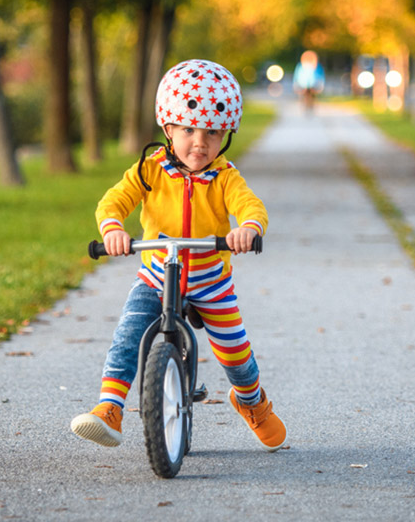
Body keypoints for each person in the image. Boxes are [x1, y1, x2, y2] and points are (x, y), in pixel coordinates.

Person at [70, 59, 286, 453]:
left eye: (212, 132)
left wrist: (248, 230)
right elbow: (113, 201)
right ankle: (110, 408)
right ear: (168, 129)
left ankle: (252, 401)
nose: (199, 142)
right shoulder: (149, 170)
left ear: (226, 135)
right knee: (128, 335)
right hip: (156, 274)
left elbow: (251, 207)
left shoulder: (224, 177)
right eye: (188, 130)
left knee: (236, 353)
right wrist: (114, 229)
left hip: (209, 279)